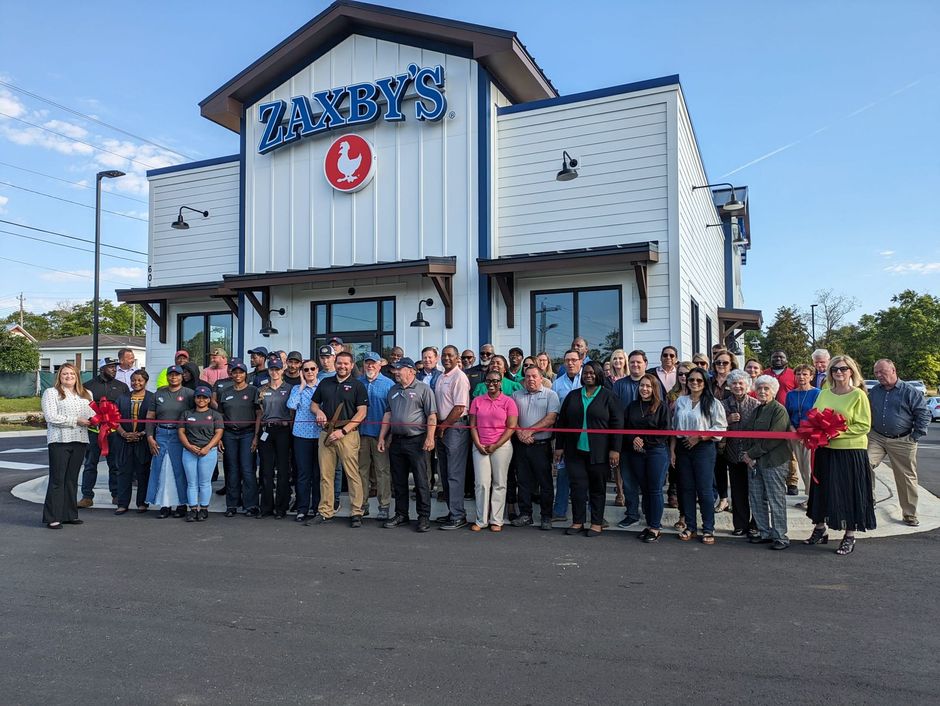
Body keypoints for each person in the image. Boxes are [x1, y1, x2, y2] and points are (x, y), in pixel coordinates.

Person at [805, 355, 875, 555]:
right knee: (822, 490)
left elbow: (863, 426)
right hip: (825, 450)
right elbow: (814, 416)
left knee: (848, 492)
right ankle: (820, 529)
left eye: (843, 368)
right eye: (835, 368)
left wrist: (833, 433)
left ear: (851, 371)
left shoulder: (858, 395)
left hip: (850, 451)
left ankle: (850, 535)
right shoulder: (824, 393)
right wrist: (818, 433)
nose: (839, 372)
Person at [554, 361, 622, 536]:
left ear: (599, 374)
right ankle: (578, 522)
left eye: (592, 372)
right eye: (585, 373)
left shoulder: (609, 396)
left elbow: (617, 424)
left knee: (597, 488)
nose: (588, 375)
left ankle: (596, 523)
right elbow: (562, 423)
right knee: (577, 487)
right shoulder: (573, 395)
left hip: (599, 452)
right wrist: (559, 446)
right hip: (574, 451)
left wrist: (615, 449)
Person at [868, 358, 930, 527]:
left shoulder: (910, 391)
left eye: (882, 372)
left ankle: (909, 514)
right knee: (863, 463)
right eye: (876, 373)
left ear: (893, 370)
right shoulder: (874, 391)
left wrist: (915, 435)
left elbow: (923, 414)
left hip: (903, 439)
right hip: (877, 437)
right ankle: (869, 501)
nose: (879, 375)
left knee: (906, 477)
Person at [378, 357, 437, 532]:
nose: (395, 372)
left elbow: (432, 416)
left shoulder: (423, 389)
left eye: (399, 369)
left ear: (411, 370)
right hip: (396, 440)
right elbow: (388, 415)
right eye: (395, 369)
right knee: (399, 480)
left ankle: (423, 516)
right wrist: (382, 437)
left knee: (421, 480)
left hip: (417, 440)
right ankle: (401, 514)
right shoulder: (393, 389)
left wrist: (430, 437)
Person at [310, 351, 368, 527]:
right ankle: (325, 511)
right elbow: (314, 404)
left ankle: (356, 512)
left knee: (352, 474)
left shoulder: (358, 386)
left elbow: (362, 412)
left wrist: (343, 431)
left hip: (347, 434)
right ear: (335, 363)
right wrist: (318, 411)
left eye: (346, 364)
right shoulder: (325, 383)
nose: (342, 366)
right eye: (339, 363)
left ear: (351, 366)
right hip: (326, 433)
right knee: (325, 475)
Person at [671, 366, 727, 544]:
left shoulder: (713, 403)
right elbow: (674, 428)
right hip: (683, 447)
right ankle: (690, 526)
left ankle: (708, 528)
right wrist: (672, 450)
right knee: (686, 488)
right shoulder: (681, 401)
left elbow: (720, 428)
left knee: (704, 489)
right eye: (691, 380)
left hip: (704, 447)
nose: (694, 383)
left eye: (698, 380)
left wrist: (700, 437)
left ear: (705, 383)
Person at [741, 376, 792, 550]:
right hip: (754, 463)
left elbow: (773, 438)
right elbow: (747, 433)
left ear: (774, 391)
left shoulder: (779, 410)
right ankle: (764, 532)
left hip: (774, 462)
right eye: (760, 388)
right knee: (756, 498)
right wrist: (746, 455)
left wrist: (752, 454)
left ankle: (780, 537)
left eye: (766, 389)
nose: (762, 391)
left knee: (775, 499)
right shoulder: (757, 410)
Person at [40, 363, 93, 529]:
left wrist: (101, 419)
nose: (69, 376)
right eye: (65, 374)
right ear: (59, 376)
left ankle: (70, 514)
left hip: (80, 440)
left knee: (71, 479)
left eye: (72, 374)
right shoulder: (52, 393)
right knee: (58, 479)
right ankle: (53, 516)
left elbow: (92, 414)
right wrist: (76, 420)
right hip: (59, 441)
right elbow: (51, 417)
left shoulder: (86, 394)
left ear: (77, 376)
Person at [511, 366, 560, 530]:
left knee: (545, 482)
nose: (530, 379)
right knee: (523, 481)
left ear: (541, 378)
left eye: (534, 376)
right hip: (521, 445)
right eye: (527, 377)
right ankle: (525, 514)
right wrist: (519, 433)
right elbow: (511, 418)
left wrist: (530, 431)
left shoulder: (550, 395)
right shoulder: (516, 395)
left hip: (541, 445)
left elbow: (551, 419)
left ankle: (546, 516)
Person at [469, 370, 518, 531]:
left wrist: (496, 445)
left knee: (499, 482)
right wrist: (477, 444)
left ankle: (496, 520)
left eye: (495, 381)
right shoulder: (477, 401)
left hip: (501, 446)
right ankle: (481, 520)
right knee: (481, 483)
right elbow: (473, 425)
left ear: (501, 382)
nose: (492, 384)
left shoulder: (508, 402)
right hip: (480, 445)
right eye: (488, 381)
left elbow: (511, 427)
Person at [623, 373, 670, 542]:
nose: (644, 389)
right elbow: (626, 427)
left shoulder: (662, 407)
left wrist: (645, 441)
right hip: (636, 453)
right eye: (642, 385)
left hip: (656, 452)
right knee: (645, 488)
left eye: (648, 386)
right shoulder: (632, 406)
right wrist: (633, 438)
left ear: (654, 388)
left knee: (655, 489)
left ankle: (655, 527)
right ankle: (650, 523)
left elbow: (665, 432)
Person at [77, 357, 129, 508]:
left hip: (114, 431)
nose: (114, 369)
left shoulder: (122, 386)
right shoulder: (87, 387)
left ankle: (116, 495)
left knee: (115, 464)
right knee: (90, 464)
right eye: (111, 367)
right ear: (101, 369)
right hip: (94, 431)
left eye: (115, 367)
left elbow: (124, 409)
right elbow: (83, 408)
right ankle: (87, 496)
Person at [612, 350, 654, 528]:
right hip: (626, 440)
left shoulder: (654, 383)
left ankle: (650, 513)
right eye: (633, 362)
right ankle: (631, 513)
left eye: (639, 362)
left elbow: (659, 413)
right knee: (628, 481)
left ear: (645, 363)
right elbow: (614, 412)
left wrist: (643, 438)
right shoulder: (620, 385)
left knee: (648, 481)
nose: (636, 365)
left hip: (649, 443)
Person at [146, 365, 194, 518]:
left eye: (177, 375)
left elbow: (197, 414)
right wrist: (150, 437)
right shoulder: (158, 394)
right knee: (162, 469)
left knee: (179, 469)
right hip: (161, 433)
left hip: (179, 435)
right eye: (170, 375)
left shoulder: (189, 394)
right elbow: (150, 417)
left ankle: (181, 504)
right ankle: (164, 504)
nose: (173, 377)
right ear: (167, 377)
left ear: (182, 377)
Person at [215, 359, 260, 518]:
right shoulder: (225, 392)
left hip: (247, 434)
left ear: (245, 374)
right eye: (235, 372)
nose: (238, 374)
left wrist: (256, 436)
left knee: (247, 470)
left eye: (241, 372)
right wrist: (219, 437)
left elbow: (258, 414)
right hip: (229, 434)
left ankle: (251, 504)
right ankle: (232, 504)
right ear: (231, 374)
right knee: (231, 469)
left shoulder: (253, 390)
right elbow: (220, 415)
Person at [435, 345, 471, 530]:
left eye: (450, 355)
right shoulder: (441, 376)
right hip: (443, 427)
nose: (446, 358)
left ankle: (458, 515)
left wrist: (443, 426)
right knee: (445, 471)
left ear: (457, 358)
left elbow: (459, 408)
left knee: (454, 473)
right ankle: (452, 511)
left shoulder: (460, 377)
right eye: (444, 355)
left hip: (454, 427)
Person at [178, 386, 224, 522]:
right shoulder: (187, 414)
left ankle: (204, 508)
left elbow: (219, 432)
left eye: (205, 397)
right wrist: (189, 446)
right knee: (191, 482)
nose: (201, 400)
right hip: (189, 451)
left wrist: (208, 447)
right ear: (195, 398)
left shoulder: (215, 415)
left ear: (209, 399)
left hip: (208, 452)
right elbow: (181, 431)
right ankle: (192, 509)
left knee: (204, 482)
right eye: (199, 397)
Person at [722, 369, 759, 536]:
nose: (737, 386)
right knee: (737, 491)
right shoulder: (723, 404)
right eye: (734, 383)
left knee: (756, 491)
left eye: (741, 383)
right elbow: (717, 427)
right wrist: (728, 421)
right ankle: (740, 524)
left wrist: (752, 454)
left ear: (747, 385)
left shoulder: (756, 404)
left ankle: (755, 524)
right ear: (729, 386)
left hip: (751, 455)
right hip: (732, 453)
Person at [357, 352, 394, 521]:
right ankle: (362, 505)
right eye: (367, 363)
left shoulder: (388, 384)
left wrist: (387, 436)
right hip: (360, 434)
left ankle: (384, 505)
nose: (370, 366)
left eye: (373, 363)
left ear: (380, 365)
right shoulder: (358, 383)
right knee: (361, 471)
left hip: (381, 435)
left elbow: (391, 411)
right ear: (363, 365)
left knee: (382, 471)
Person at [112, 370, 154, 515]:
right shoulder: (122, 398)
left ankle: (142, 502)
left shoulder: (152, 398)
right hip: (124, 440)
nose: (136, 383)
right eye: (134, 380)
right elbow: (114, 419)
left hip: (143, 440)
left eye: (140, 380)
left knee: (143, 472)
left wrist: (142, 433)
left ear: (146, 381)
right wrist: (124, 433)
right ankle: (122, 503)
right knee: (124, 472)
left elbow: (154, 420)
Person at [255, 357, 293, 518]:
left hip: (284, 431)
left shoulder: (290, 388)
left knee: (283, 470)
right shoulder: (261, 390)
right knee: (266, 470)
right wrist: (256, 436)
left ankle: (281, 507)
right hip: (267, 431)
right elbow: (259, 414)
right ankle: (266, 507)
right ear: (268, 370)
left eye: (277, 369)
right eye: (272, 369)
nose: (275, 372)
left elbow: (293, 413)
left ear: (282, 370)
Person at [286, 358, 321, 522]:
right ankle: (302, 508)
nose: (309, 372)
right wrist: (301, 386)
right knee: (303, 474)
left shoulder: (324, 386)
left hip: (320, 435)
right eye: (306, 370)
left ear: (317, 370)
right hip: (301, 436)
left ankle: (316, 507)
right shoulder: (296, 388)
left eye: (312, 369)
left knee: (318, 474)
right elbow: (291, 406)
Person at [550, 349, 583, 522]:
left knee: (587, 476)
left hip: (587, 435)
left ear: (580, 361)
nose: (570, 363)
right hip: (565, 434)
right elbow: (556, 413)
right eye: (567, 360)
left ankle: (593, 513)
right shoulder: (558, 383)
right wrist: (558, 442)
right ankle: (560, 510)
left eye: (573, 360)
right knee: (563, 474)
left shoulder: (588, 378)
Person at [785, 364, 820, 508]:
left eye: (805, 374)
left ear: (811, 376)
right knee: (798, 465)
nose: (801, 377)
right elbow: (787, 414)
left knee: (808, 468)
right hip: (794, 433)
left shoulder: (817, 393)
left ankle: (812, 498)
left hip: (810, 435)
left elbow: (819, 413)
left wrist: (806, 433)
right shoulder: (791, 394)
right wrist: (793, 430)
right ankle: (810, 497)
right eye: (798, 374)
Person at [710, 349, 738, 512]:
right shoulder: (709, 382)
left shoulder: (736, 381)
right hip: (714, 429)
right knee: (718, 467)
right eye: (718, 362)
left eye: (725, 362)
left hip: (733, 430)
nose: (721, 365)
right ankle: (723, 499)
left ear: (731, 364)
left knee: (734, 466)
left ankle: (736, 499)